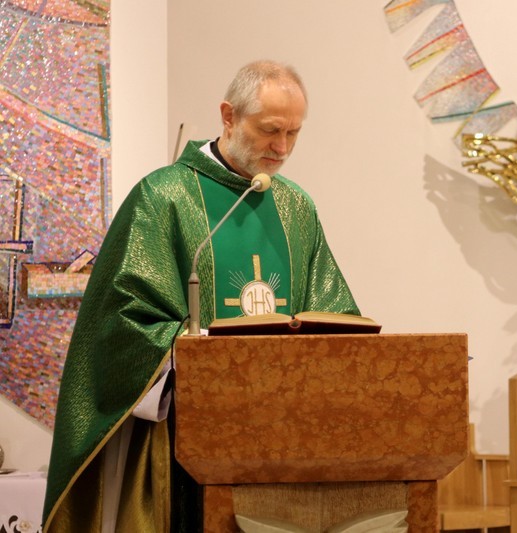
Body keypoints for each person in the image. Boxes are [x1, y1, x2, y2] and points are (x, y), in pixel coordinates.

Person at [42, 60, 360, 532]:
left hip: (281, 432)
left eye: (294, 133)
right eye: (270, 130)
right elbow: (121, 322)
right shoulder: (163, 196)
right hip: (185, 435)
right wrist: (195, 348)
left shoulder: (295, 207)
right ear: (229, 116)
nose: (282, 147)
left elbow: (334, 315)